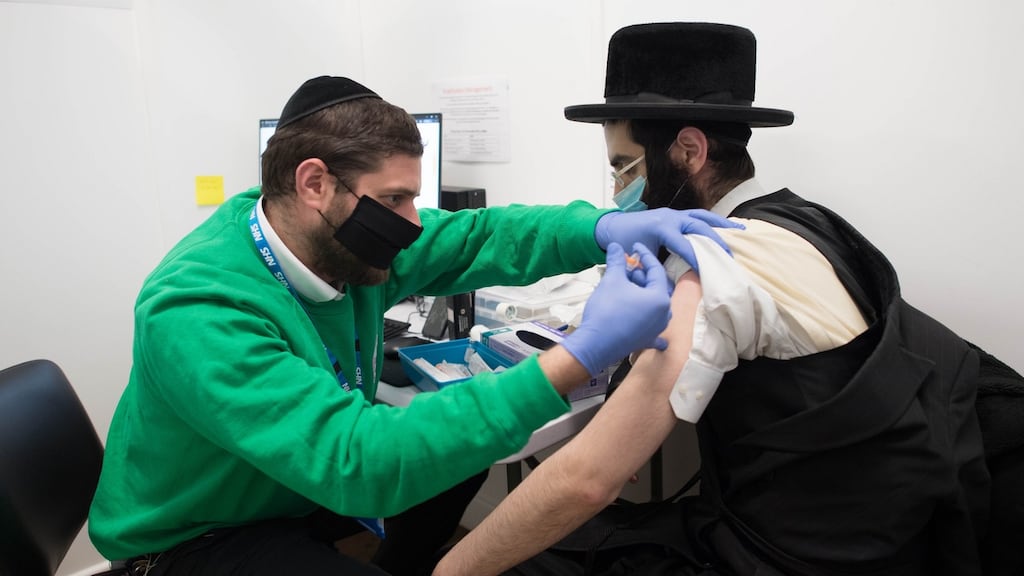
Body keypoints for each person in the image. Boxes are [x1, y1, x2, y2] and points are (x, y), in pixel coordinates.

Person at [86, 75, 741, 576]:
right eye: (396, 199)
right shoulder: (200, 306)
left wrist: (599, 227)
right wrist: (578, 355)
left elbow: (481, 236)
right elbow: (357, 461)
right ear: (314, 182)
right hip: (193, 537)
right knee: (418, 447)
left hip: (286, 488)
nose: (413, 221)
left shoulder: (345, 241)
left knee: (458, 452)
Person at [432, 22, 993, 576]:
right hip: (889, 529)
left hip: (788, 551)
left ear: (689, 151)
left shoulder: (718, 263)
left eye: (621, 167)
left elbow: (588, 479)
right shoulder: (803, 220)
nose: (616, 192)